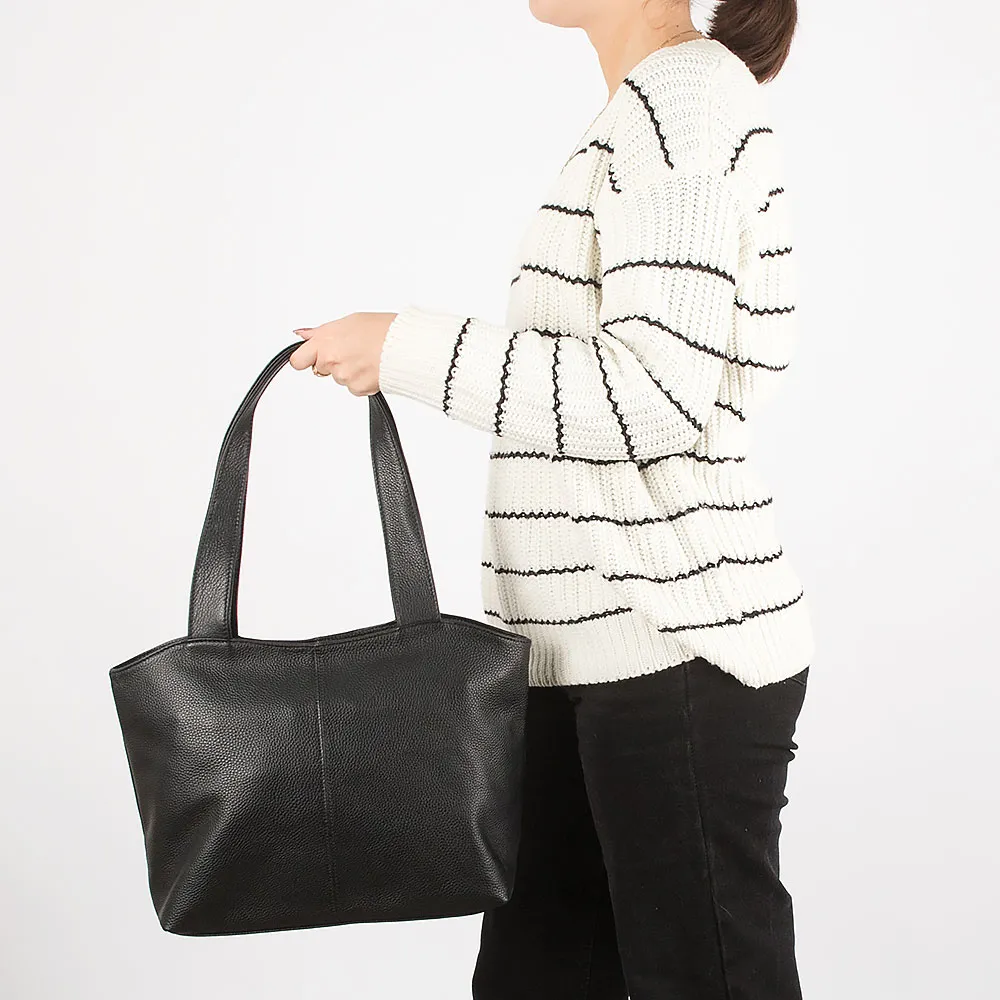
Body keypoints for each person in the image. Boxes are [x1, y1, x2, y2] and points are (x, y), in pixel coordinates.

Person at [290, 1, 813, 996]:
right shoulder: (644, 108)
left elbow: (654, 395)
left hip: (670, 643)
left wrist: (404, 346)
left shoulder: (684, 104)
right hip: (579, 652)